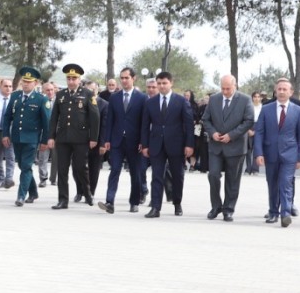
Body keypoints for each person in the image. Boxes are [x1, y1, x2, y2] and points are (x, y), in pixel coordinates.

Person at [139, 70, 194, 218]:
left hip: (176, 144)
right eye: (159, 83)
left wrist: (189, 145)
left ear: (171, 83)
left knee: (177, 176)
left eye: (165, 83)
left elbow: (189, 124)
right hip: (156, 145)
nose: (162, 86)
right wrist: (145, 145)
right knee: (157, 176)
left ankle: (177, 203)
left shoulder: (181, 101)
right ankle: (155, 207)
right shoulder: (150, 102)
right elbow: (145, 125)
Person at [254, 78, 300, 226]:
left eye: (285, 89)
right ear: (275, 91)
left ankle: (285, 214)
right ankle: (273, 212)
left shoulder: (298, 111)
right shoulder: (266, 109)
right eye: (279, 89)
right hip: (270, 152)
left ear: (291, 92)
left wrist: (299, 157)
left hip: (289, 154)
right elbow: (259, 132)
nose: (282, 92)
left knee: (285, 182)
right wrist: (258, 153)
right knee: (272, 184)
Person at [201, 74, 254, 221]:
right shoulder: (214, 99)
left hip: (236, 146)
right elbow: (206, 119)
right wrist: (212, 133)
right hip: (216, 146)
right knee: (213, 175)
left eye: (228, 89)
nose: (225, 92)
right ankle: (216, 206)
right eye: (223, 88)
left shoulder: (245, 100)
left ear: (235, 86)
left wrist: (231, 135)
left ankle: (228, 209)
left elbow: (249, 121)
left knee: (233, 179)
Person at [48, 63, 98, 209]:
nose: (71, 81)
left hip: (81, 139)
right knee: (62, 170)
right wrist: (51, 136)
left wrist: (93, 138)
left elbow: (95, 118)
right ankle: (63, 200)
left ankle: (87, 193)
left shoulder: (87, 94)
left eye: (74, 78)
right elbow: (54, 118)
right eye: (69, 78)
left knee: (80, 168)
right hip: (63, 138)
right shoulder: (60, 94)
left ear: (79, 79)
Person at [1, 67, 52, 206]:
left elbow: (46, 123)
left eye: (29, 82)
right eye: (24, 81)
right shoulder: (15, 96)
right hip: (16, 137)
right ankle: (34, 192)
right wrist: (6, 134)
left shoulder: (41, 99)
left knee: (26, 166)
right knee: (23, 166)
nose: (25, 84)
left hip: (31, 139)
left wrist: (44, 141)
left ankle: (21, 196)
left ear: (35, 83)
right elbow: (7, 117)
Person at [98, 66, 145, 214]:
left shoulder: (141, 98)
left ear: (133, 78)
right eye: (122, 78)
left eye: (127, 78)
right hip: (117, 141)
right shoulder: (114, 97)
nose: (124, 81)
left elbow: (144, 123)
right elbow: (110, 119)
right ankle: (109, 202)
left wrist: (143, 141)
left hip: (135, 142)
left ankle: (134, 201)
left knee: (135, 173)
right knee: (114, 171)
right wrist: (107, 138)